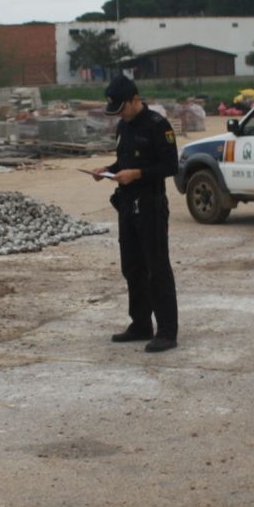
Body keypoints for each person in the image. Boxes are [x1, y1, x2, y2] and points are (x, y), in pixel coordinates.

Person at [87, 75, 179, 353]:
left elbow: (170, 166)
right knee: (132, 267)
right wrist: (108, 171)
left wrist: (137, 174)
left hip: (150, 204)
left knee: (156, 267)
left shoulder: (157, 126)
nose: (121, 115)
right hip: (127, 204)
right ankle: (140, 323)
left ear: (134, 99)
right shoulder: (124, 127)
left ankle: (167, 331)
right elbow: (124, 161)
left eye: (122, 109)